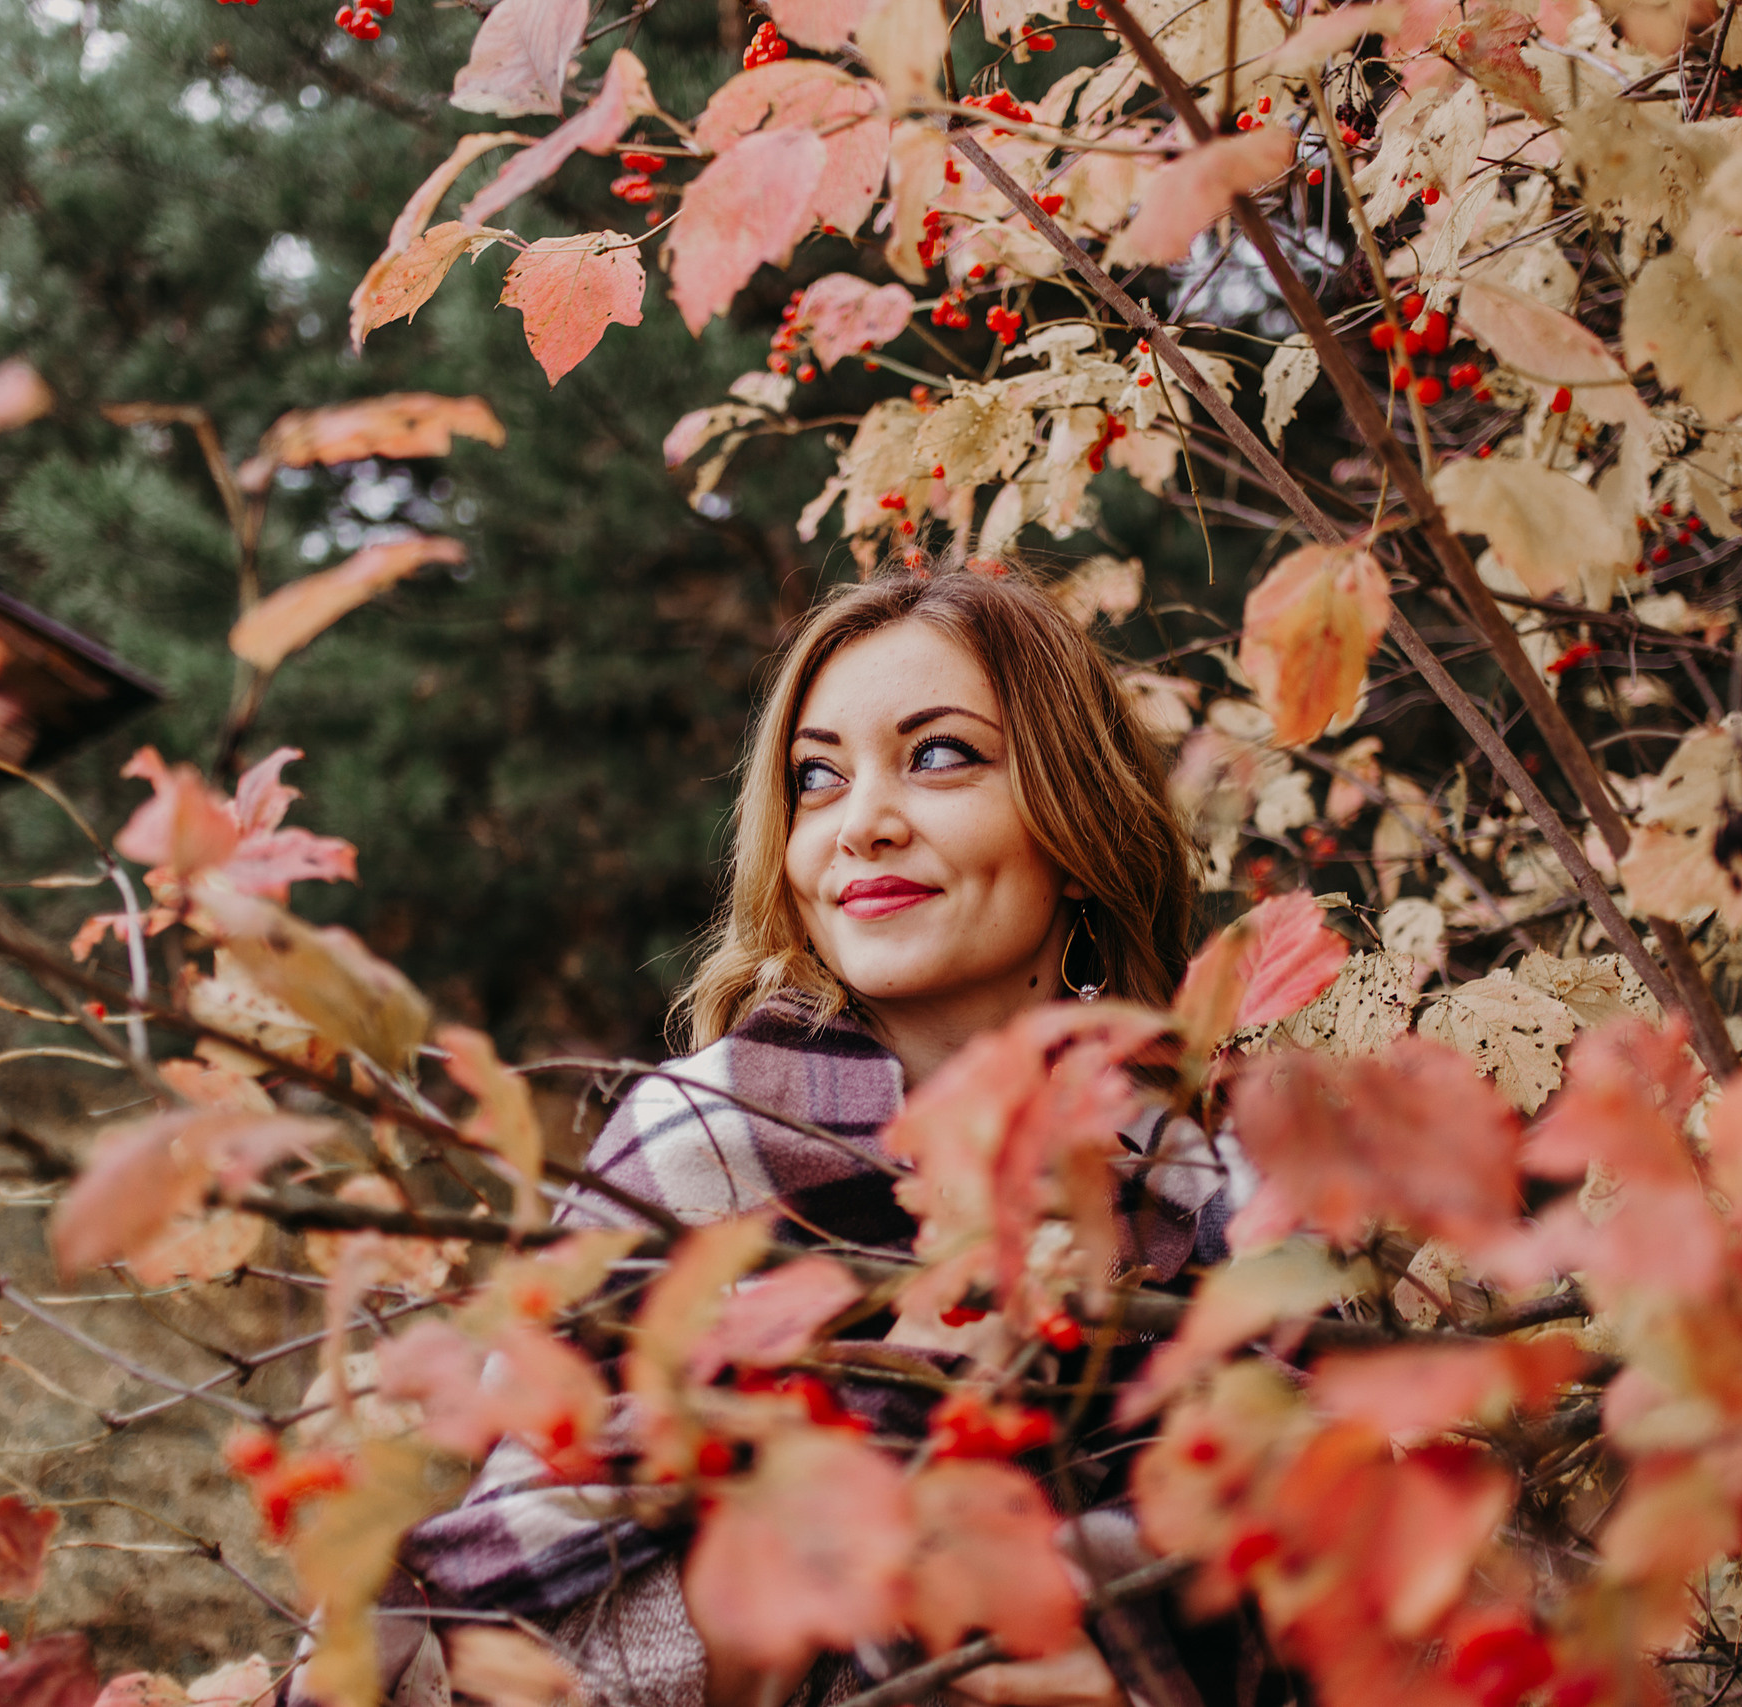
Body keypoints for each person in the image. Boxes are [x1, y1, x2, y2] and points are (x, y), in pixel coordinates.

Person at [371, 560, 1242, 1707]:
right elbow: (500, 1618)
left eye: (940, 755)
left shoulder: (1209, 1186)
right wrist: (888, 1401)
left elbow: (1339, 1578)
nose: (860, 826)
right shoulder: (703, 1138)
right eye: (817, 778)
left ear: (1077, 825)